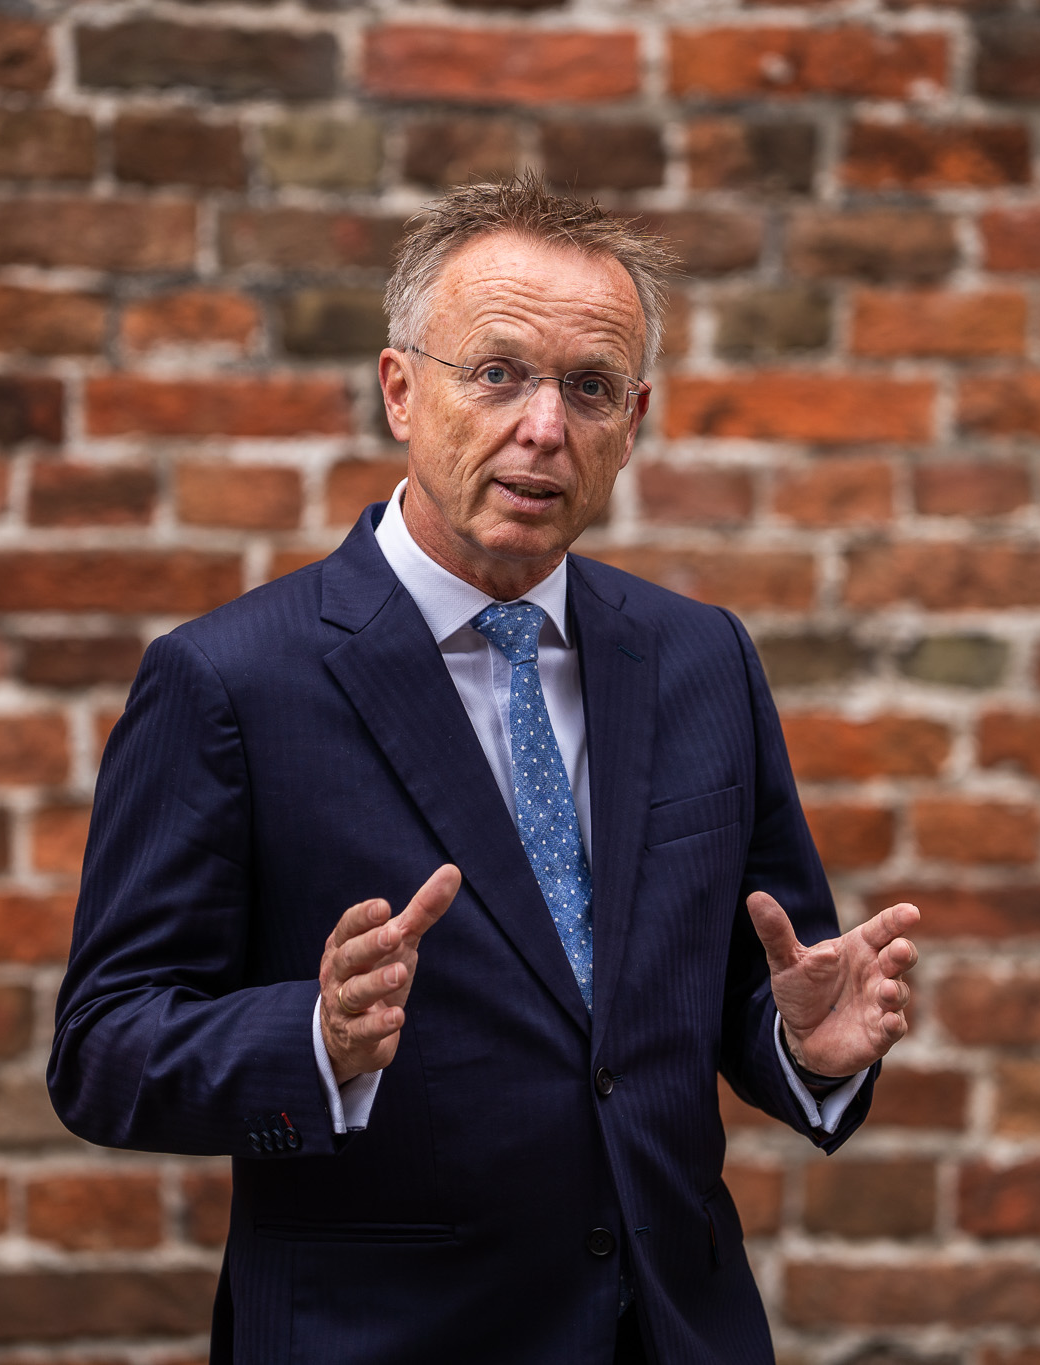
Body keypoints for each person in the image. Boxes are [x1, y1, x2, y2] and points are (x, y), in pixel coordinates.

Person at [49, 176, 922, 1365]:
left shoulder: (699, 658)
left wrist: (797, 1048)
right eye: (497, 374)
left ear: (633, 421)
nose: (544, 427)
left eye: (589, 387)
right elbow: (103, 1050)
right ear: (400, 390)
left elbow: (751, 985)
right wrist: (314, 1038)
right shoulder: (228, 682)